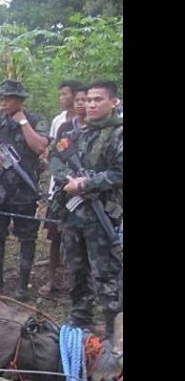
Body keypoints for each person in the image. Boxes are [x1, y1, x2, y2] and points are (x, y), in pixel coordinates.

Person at [48, 80, 122, 335]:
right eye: (89, 99)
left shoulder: (118, 134)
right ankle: (80, 318)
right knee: (77, 271)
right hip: (74, 216)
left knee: (106, 277)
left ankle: (113, 329)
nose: (91, 104)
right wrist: (67, 180)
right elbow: (55, 156)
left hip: (104, 218)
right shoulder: (75, 134)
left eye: (98, 100)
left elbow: (119, 172)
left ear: (114, 102)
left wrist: (87, 183)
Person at [0, 80, 49, 300]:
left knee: (27, 237)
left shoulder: (35, 120)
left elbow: (40, 146)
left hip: (24, 191)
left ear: (20, 100)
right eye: (1, 98)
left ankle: (22, 285)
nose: (3, 102)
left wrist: (22, 123)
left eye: (8, 98)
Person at [40, 85, 88, 295]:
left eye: (85, 99)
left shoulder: (101, 132)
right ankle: (52, 279)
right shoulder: (65, 129)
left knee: (84, 241)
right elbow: (55, 156)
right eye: (77, 99)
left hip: (89, 194)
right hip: (63, 192)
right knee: (56, 236)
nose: (80, 103)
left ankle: (79, 285)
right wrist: (67, 179)